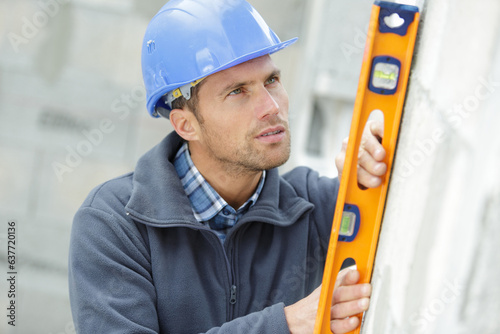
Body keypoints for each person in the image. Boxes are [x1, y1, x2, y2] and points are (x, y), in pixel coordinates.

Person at [68, 0, 387, 333]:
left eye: (272, 80)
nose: (271, 106)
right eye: (238, 92)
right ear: (186, 125)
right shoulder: (115, 224)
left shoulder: (316, 210)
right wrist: (286, 325)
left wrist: (378, 142)